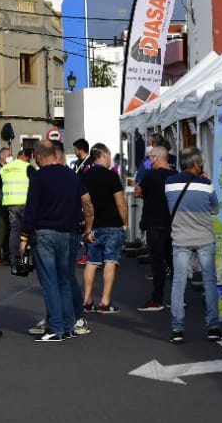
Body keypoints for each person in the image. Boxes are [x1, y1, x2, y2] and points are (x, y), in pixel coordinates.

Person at [20, 139, 92, 342]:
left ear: (38, 156)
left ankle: (55, 328)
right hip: (69, 233)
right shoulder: (71, 175)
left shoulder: (38, 177)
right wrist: (86, 227)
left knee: (50, 281)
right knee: (65, 280)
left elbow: (31, 208)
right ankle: (68, 326)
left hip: (45, 233)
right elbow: (85, 201)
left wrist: (24, 236)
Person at [164, 148, 222, 344]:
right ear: (197, 163)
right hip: (204, 238)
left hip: (180, 239)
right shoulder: (206, 184)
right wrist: (205, 182)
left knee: (179, 282)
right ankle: (213, 327)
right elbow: (215, 209)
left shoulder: (169, 183)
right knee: (209, 281)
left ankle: (177, 329)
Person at [79, 143, 128, 313]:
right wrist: (125, 223)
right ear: (104, 154)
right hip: (112, 224)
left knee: (92, 262)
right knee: (110, 261)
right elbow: (121, 203)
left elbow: (85, 203)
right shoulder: (111, 176)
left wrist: (87, 227)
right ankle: (105, 302)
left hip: (93, 225)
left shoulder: (85, 177)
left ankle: (87, 300)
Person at [134, 145, 174, 311]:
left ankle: (157, 299)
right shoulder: (176, 175)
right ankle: (178, 298)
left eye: (150, 158)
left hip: (154, 225)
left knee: (157, 264)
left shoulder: (151, 175)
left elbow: (137, 192)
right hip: (173, 224)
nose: (148, 161)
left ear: (157, 158)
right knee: (174, 263)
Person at [0, 147, 32, 272]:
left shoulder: (5, 168)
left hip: (11, 204)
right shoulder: (28, 167)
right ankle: (26, 258)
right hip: (25, 203)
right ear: (25, 157)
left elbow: (0, 185)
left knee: (14, 231)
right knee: (28, 230)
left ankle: (14, 259)